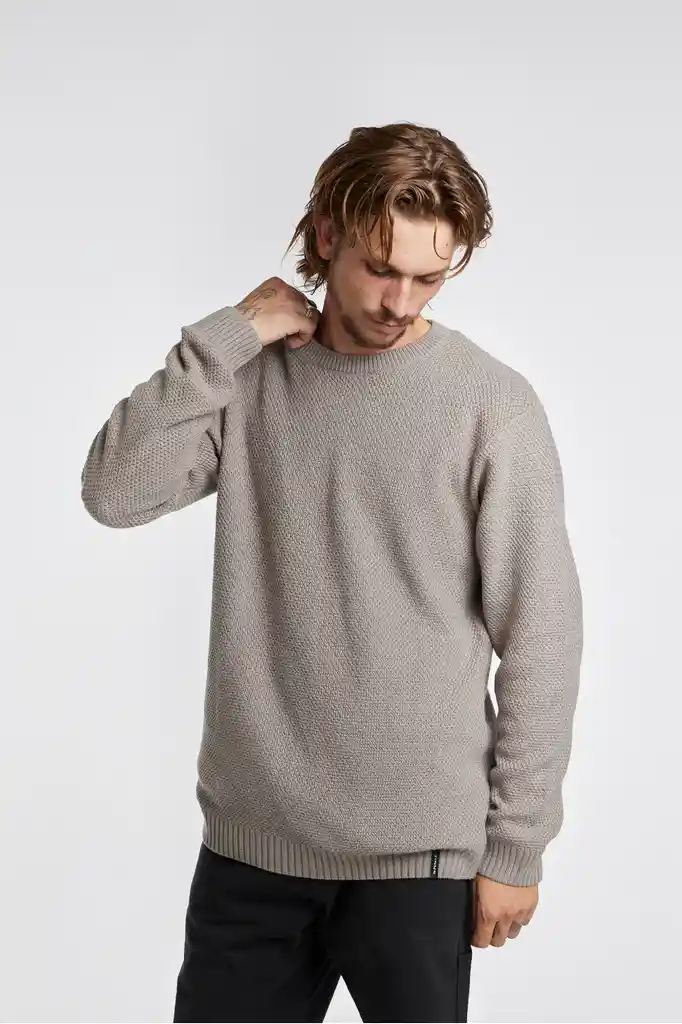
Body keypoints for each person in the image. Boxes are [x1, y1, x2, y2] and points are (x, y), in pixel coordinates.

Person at [81, 121, 583, 1023]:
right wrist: (230, 335)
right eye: (380, 268)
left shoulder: (490, 405)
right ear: (325, 235)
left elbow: (541, 633)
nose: (399, 301)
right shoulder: (250, 379)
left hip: (419, 860)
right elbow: (114, 493)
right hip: (252, 851)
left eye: (428, 278)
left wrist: (516, 848)